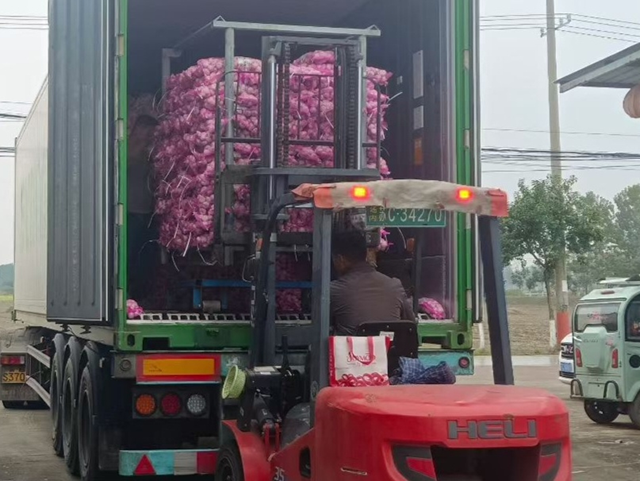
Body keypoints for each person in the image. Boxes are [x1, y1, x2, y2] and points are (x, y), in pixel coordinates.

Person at [330, 230, 416, 335]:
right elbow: (410, 325)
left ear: (340, 259)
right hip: (390, 345)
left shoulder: (335, 291)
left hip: (351, 346)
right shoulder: (394, 286)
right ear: (366, 255)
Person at [127, 115, 159, 303]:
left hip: (148, 213)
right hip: (130, 212)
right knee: (130, 255)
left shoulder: (152, 150)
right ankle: (128, 293)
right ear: (138, 128)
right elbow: (126, 162)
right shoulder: (129, 147)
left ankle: (143, 295)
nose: (148, 135)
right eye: (146, 130)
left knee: (146, 257)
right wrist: (141, 151)